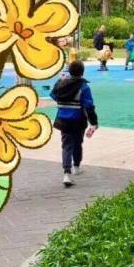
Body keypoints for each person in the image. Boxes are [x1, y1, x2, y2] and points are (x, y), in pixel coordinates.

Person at [51, 59, 99, 187]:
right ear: (82, 73)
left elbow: (53, 95)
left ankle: (66, 174)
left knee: (66, 146)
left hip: (63, 120)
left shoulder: (60, 83)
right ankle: (76, 167)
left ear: (69, 71)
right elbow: (89, 107)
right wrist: (94, 122)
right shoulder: (84, 87)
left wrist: (61, 84)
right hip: (78, 121)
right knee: (78, 143)